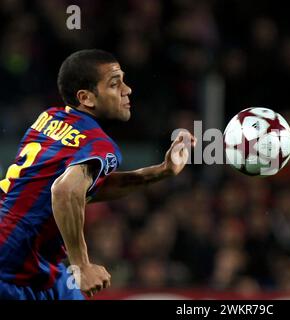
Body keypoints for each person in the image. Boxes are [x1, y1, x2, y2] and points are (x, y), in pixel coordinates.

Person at [0, 49, 196, 300]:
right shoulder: (99, 145)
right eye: (115, 84)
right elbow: (64, 191)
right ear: (87, 98)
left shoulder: (49, 117)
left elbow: (85, 189)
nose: (127, 90)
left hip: (38, 261)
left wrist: (161, 171)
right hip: (13, 263)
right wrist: (82, 265)